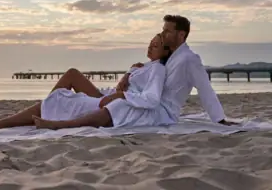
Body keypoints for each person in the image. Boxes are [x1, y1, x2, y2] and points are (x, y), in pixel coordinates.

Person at [33, 15, 233, 129]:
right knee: (112, 100)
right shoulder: (168, 57)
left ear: (181, 35)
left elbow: (206, 90)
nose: (162, 35)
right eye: (162, 31)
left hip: (163, 112)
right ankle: (56, 110)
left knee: (119, 105)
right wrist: (129, 75)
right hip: (147, 102)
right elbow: (147, 77)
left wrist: (219, 119)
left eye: (167, 32)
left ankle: (61, 125)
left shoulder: (189, 59)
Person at [0, 33, 169, 130]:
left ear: (166, 51)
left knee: (59, 99)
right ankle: (47, 109)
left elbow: (150, 98)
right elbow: (125, 83)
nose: (150, 46)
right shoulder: (143, 65)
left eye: (156, 45)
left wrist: (121, 94)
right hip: (108, 94)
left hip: (116, 100)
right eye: (150, 43)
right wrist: (127, 75)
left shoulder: (158, 69)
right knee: (72, 74)